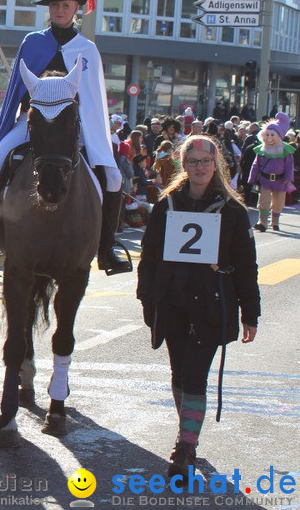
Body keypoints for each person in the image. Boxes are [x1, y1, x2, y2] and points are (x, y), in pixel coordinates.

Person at [0, 0, 128, 273]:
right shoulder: (32, 43)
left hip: (71, 129)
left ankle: (107, 249)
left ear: (76, 9)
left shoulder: (87, 50)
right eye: (54, 5)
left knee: (114, 177)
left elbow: (92, 101)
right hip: (33, 124)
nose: (59, 10)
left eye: (65, 5)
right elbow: (18, 88)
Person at [136, 135, 259, 479]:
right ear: (183, 165)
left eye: (206, 161)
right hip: (172, 304)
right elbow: (149, 255)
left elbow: (247, 267)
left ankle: (186, 444)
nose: (200, 167)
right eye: (193, 162)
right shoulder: (167, 205)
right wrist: (147, 297)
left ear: (216, 164)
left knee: (195, 375)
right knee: (179, 374)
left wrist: (251, 314)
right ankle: (187, 432)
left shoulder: (233, 211)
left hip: (210, 306)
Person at [247, 112, 295, 232]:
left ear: (279, 136)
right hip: (265, 179)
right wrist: (252, 178)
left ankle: (275, 221)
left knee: (278, 202)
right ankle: (262, 222)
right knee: (263, 200)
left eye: (272, 135)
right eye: (267, 135)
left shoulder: (285, 150)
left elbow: (289, 165)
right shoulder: (262, 150)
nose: (269, 138)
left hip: (280, 180)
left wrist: (288, 177)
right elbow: (256, 164)